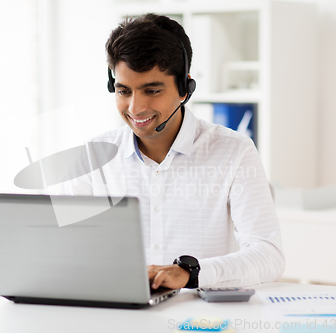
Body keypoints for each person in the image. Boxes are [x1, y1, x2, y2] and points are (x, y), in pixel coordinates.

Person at [56, 13, 285, 289]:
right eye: (123, 91)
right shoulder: (94, 156)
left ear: (185, 88)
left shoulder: (234, 151)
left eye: (151, 91)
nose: (135, 108)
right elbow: (64, 246)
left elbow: (268, 255)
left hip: (200, 321)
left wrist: (191, 273)